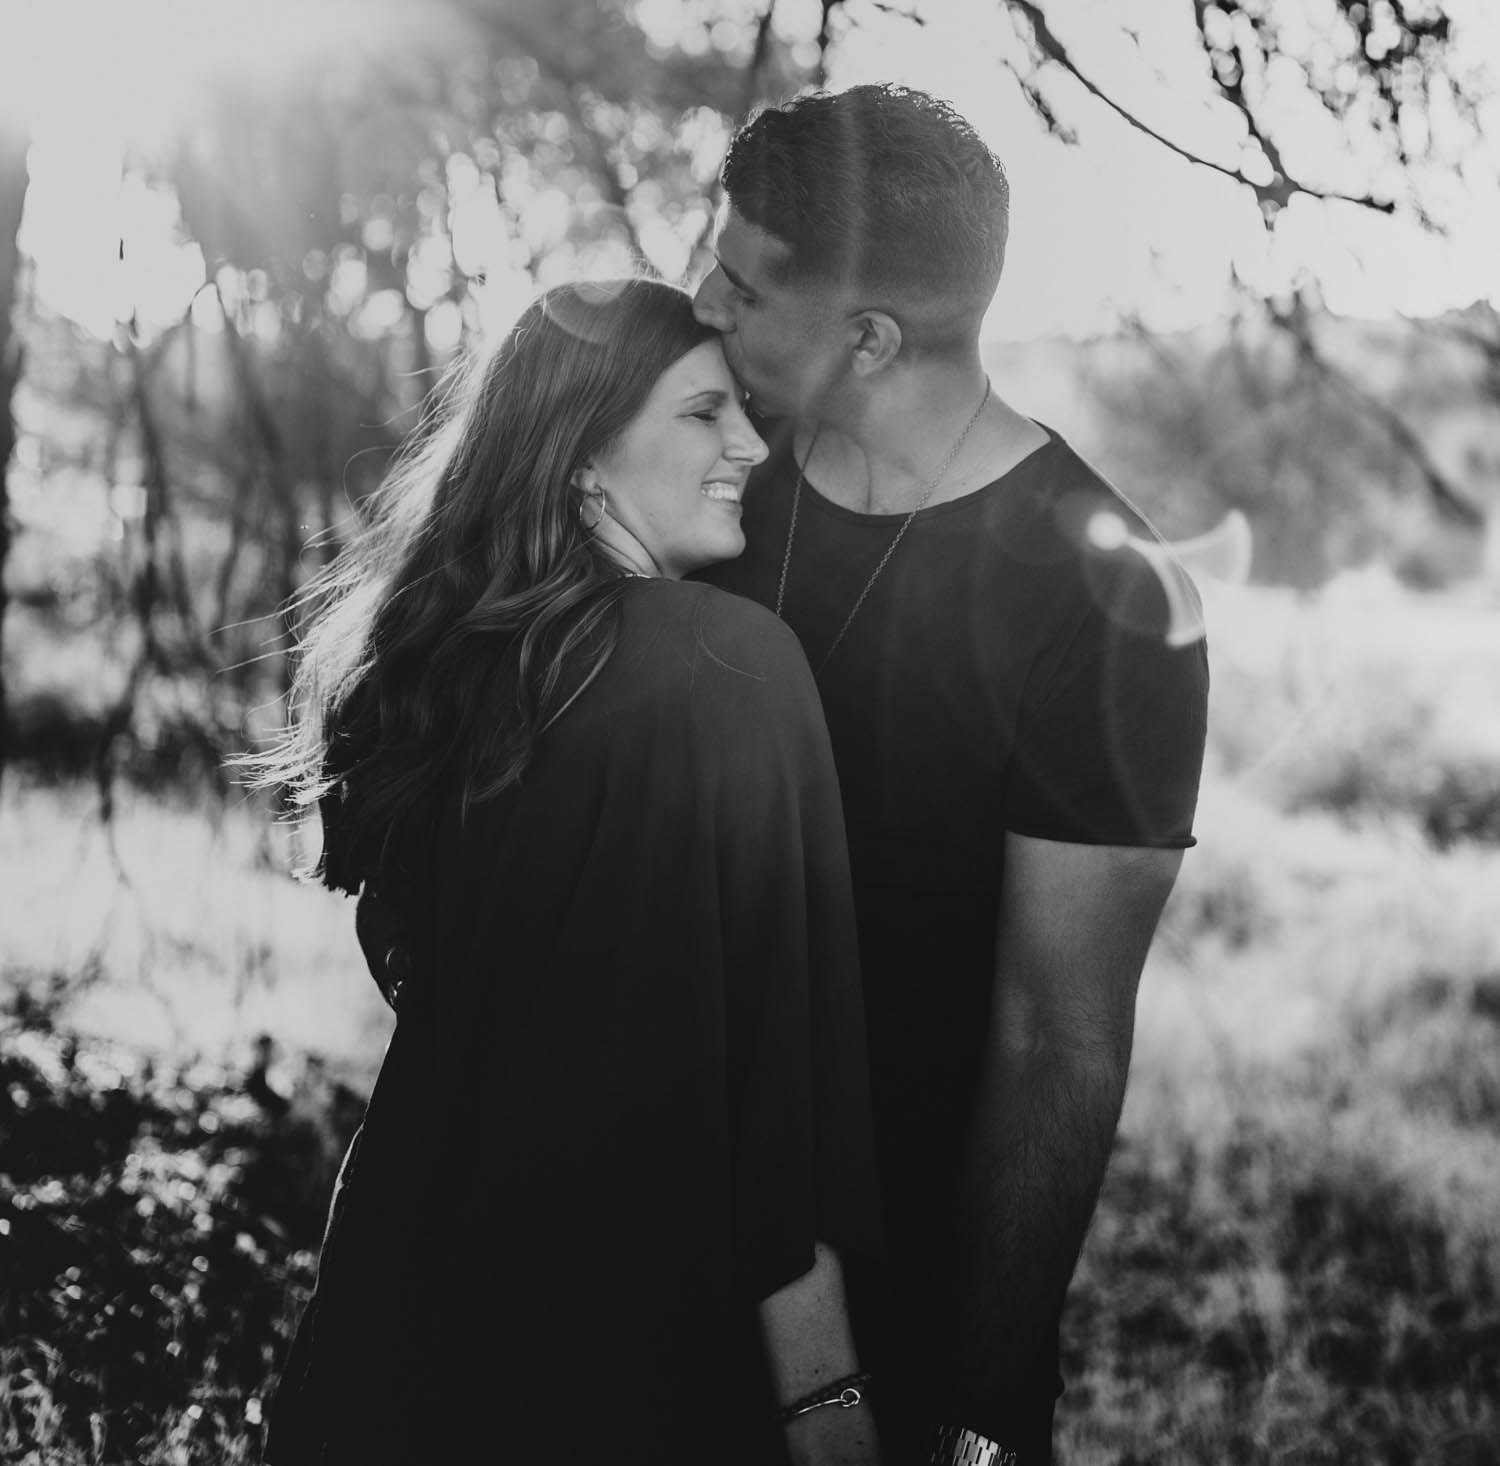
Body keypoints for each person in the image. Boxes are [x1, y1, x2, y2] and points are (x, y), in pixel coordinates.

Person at [258, 279, 883, 1466]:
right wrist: (824, 1395)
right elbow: (776, 1091)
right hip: (619, 1344)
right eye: (703, 413)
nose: (751, 446)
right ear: (583, 457)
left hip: (392, 1309)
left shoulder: (441, 678)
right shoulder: (730, 666)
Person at [693, 85, 1209, 1466]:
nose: (705, 303)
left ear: (868, 338)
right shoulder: (705, 477)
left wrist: (969, 1414)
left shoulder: (1111, 597)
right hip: (651, 1238)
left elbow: (1059, 1037)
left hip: (900, 1285)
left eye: (744, 286)